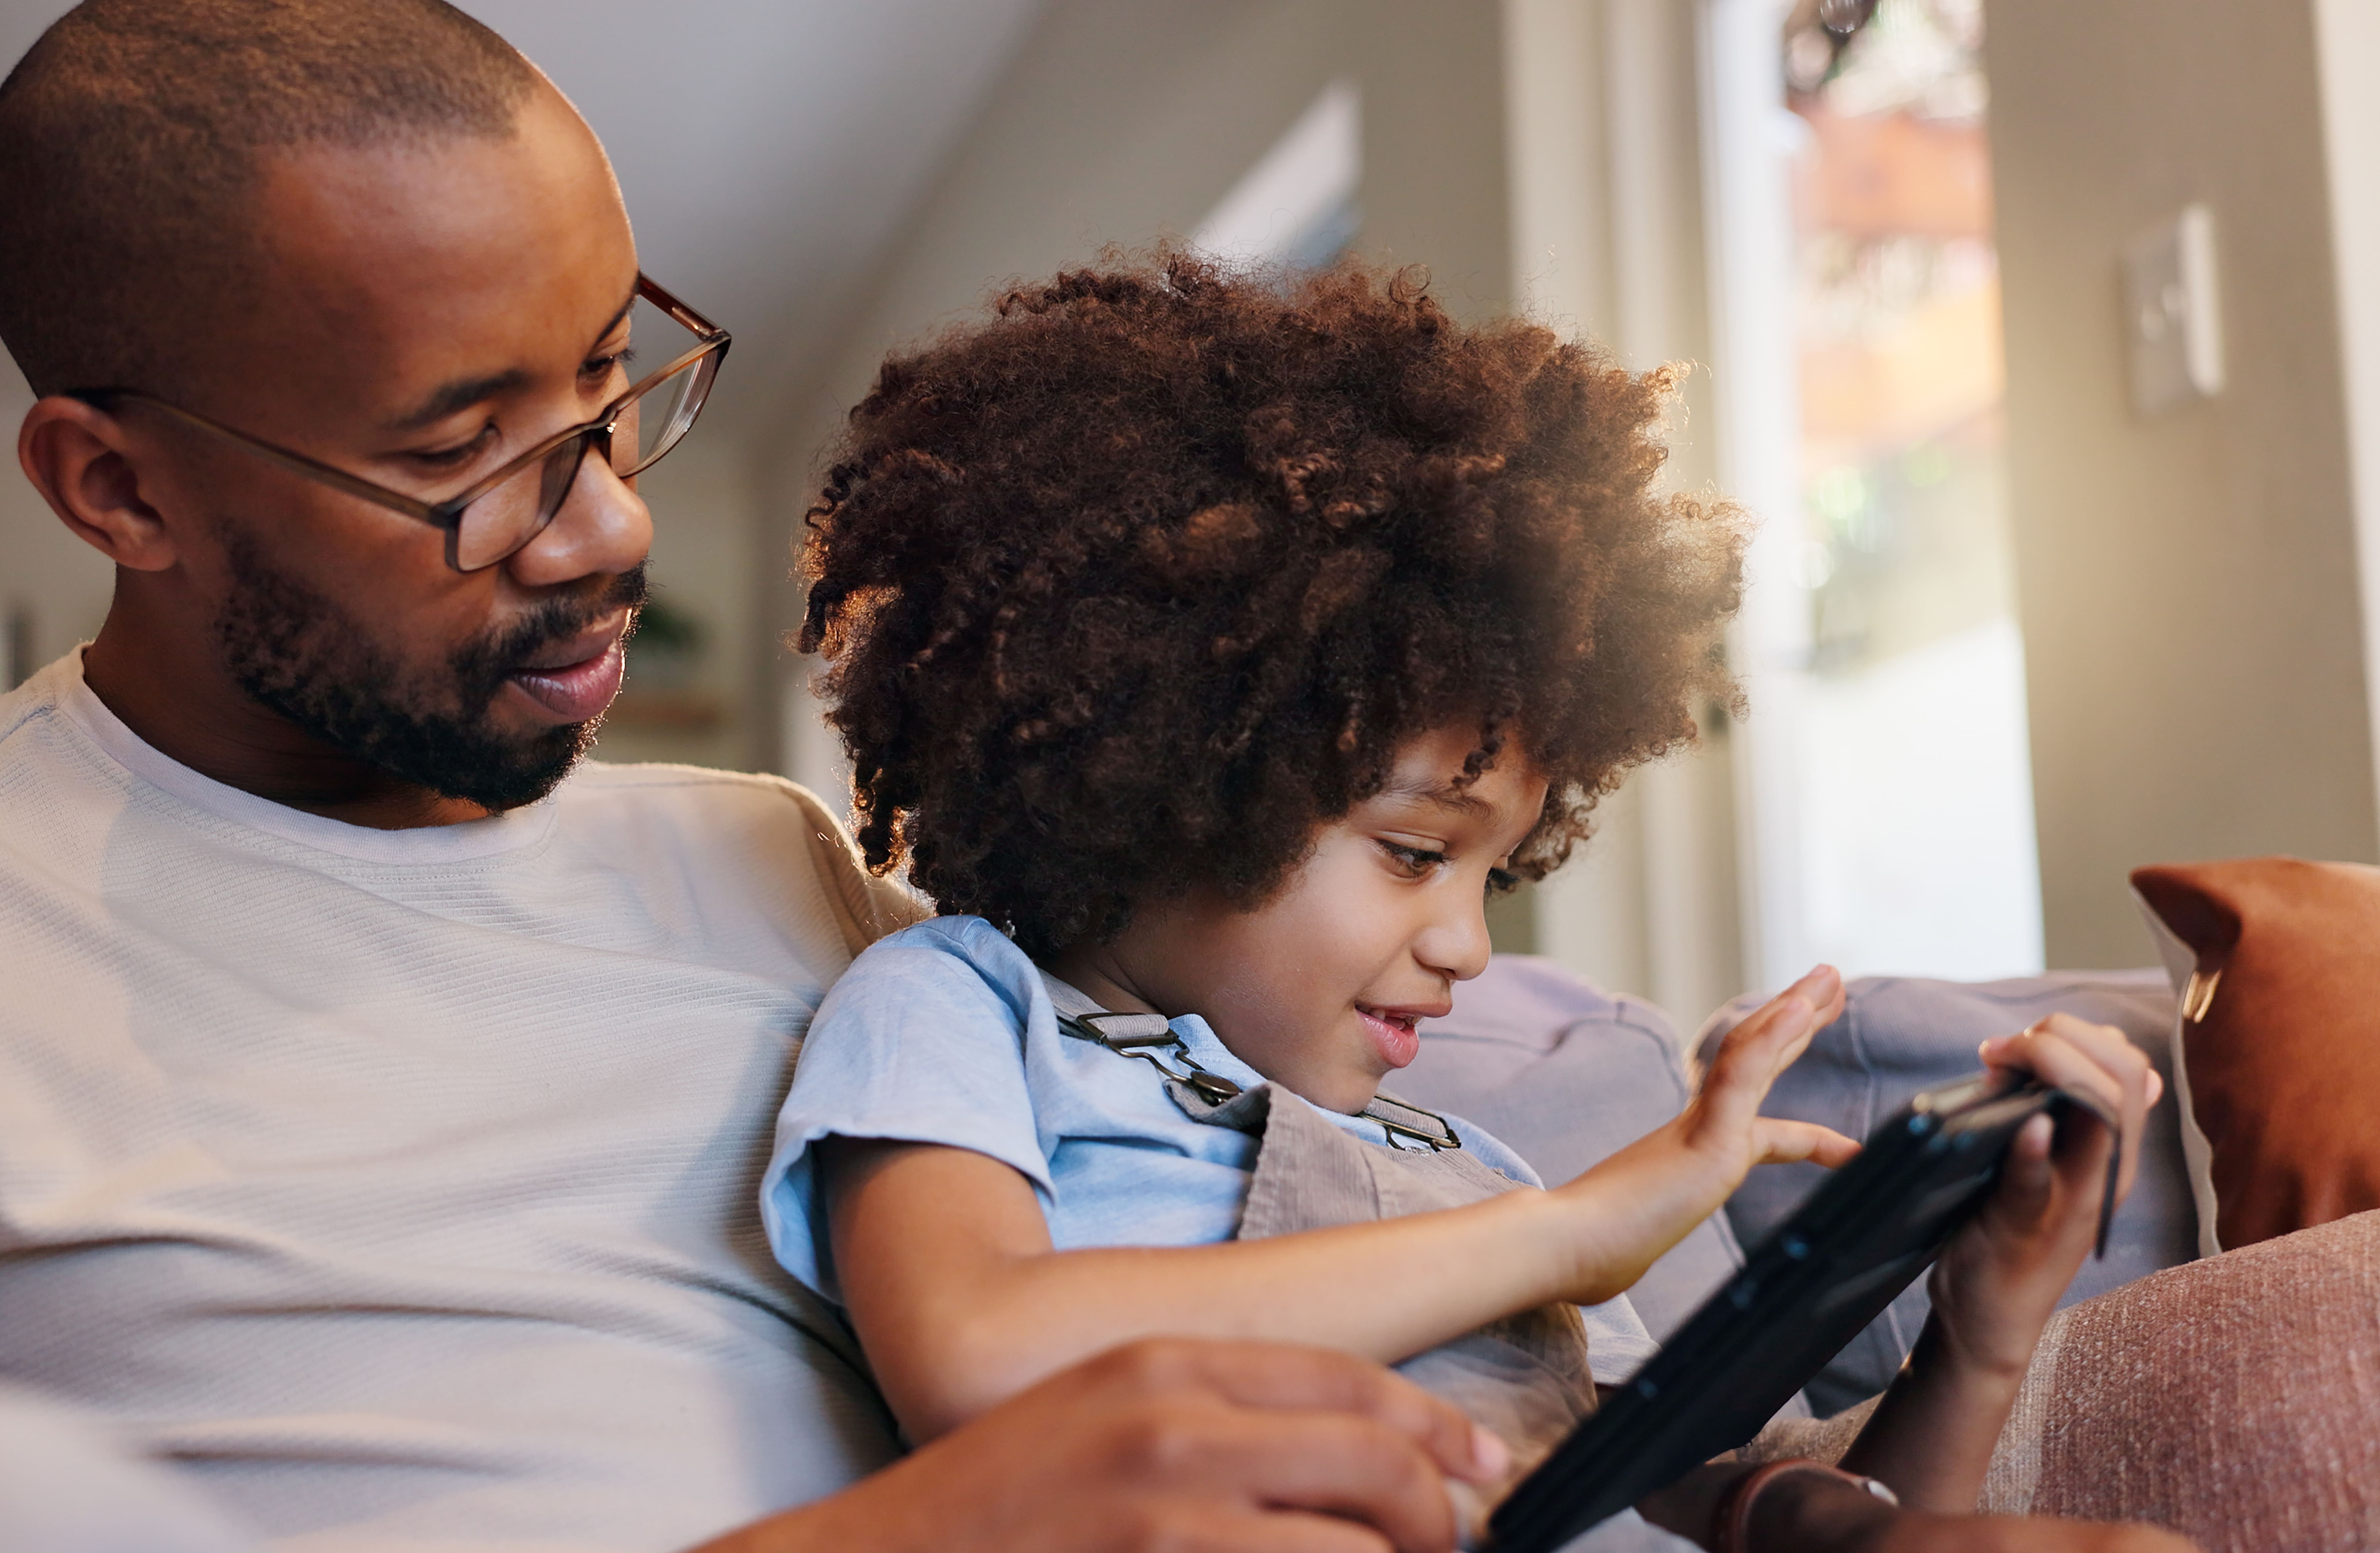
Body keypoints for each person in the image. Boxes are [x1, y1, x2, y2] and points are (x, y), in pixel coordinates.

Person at [0, 4, 1502, 1550]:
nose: (604, 524)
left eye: (611, 385)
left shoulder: (779, 866)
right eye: (460, 454)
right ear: (118, 484)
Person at [766, 255, 2186, 1552]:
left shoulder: (1464, 1165)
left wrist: (1979, 1337)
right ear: (1165, 790)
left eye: (1490, 871)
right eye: (1409, 851)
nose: (1465, 947)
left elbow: (1722, 1511)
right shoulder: (956, 1005)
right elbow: (977, 1351)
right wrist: (1568, 1232)